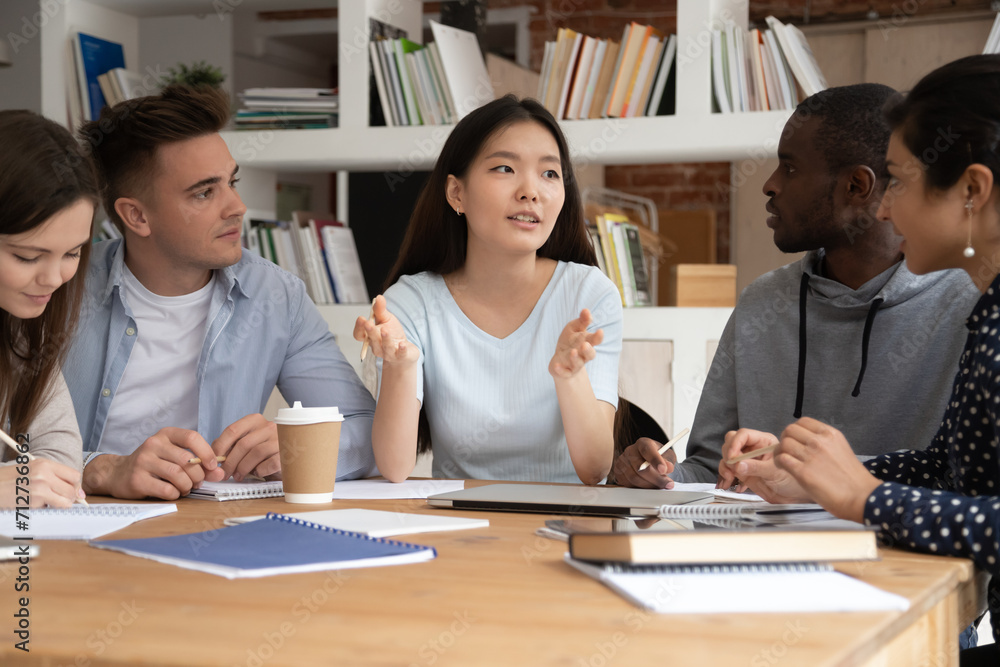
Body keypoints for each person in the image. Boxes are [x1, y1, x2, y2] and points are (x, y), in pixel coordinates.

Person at [719, 55, 1000, 663]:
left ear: (972, 191)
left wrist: (868, 497)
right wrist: (815, 480)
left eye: (897, 180)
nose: (884, 208)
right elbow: (953, 473)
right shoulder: (989, 313)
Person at [612, 83, 979, 488]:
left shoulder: (970, 308)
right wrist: (658, 477)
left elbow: (963, 482)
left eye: (789, 167)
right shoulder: (761, 302)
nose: (769, 184)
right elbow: (711, 471)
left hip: (905, 549)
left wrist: (810, 478)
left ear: (857, 186)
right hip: (765, 551)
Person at [65, 84, 376, 501]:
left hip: (217, 529)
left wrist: (299, 448)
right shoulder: (58, 289)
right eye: (205, 192)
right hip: (75, 532)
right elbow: (11, 447)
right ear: (136, 215)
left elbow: (365, 428)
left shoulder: (276, 297)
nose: (237, 206)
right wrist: (99, 469)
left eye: (233, 182)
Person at [354, 95, 622, 485]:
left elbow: (595, 469)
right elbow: (395, 469)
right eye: (504, 168)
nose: (531, 191)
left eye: (550, 174)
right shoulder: (410, 303)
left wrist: (569, 377)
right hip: (460, 526)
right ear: (456, 194)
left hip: (567, 524)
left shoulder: (588, 296)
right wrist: (401, 366)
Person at [0, 110, 99, 507]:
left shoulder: (19, 329)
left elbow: (59, 457)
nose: (55, 279)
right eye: (27, 256)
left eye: (72, 253)